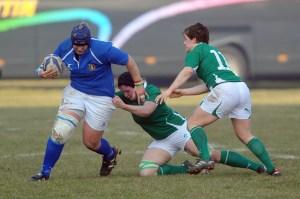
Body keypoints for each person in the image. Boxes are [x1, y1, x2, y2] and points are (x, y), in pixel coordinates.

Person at [155, 22, 280, 176]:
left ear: (194, 39)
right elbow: (209, 85)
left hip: (225, 90)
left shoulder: (197, 49)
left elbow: (187, 71)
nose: (184, 42)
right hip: (241, 88)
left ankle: (205, 159)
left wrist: (169, 90)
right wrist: (183, 92)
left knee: (193, 123)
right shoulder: (213, 50)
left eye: (186, 39)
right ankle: (271, 168)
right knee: (244, 134)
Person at [31, 22, 145, 181]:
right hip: (75, 92)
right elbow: (45, 64)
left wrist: (139, 84)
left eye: (84, 44)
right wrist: (41, 72)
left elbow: (129, 60)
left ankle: (110, 154)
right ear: (72, 42)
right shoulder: (65, 48)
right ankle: (44, 172)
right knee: (61, 131)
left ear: (89, 41)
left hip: (101, 97)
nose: (80, 48)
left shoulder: (102, 49)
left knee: (91, 142)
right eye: (77, 44)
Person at [113, 72, 266, 176]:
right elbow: (107, 95)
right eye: (123, 92)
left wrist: (124, 106)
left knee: (210, 155)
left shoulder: (151, 90)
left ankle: (257, 167)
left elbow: (147, 111)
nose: (126, 95)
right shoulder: (125, 96)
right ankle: (185, 169)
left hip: (180, 131)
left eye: (128, 91)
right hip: (162, 140)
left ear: (136, 85)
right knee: (146, 171)